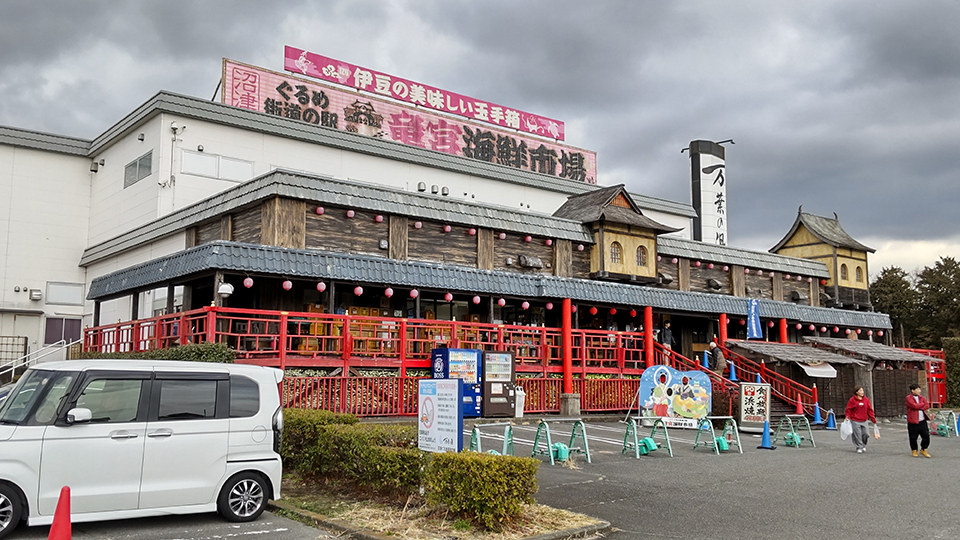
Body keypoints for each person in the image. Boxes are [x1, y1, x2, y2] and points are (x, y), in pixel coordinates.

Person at [844, 386, 876, 454]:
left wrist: (873, 418)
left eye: (862, 391)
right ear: (856, 392)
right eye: (860, 391)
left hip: (864, 420)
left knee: (866, 434)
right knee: (857, 434)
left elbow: (870, 410)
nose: (862, 392)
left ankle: (863, 445)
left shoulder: (866, 400)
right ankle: (859, 447)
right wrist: (847, 416)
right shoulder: (852, 400)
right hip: (855, 420)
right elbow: (848, 409)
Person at [905, 383, 931, 458]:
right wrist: (921, 405)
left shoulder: (922, 397)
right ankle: (914, 450)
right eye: (917, 389)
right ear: (912, 390)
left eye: (919, 389)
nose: (919, 391)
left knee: (926, 435)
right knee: (913, 437)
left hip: (922, 420)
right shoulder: (908, 398)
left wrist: (921, 405)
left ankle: (923, 449)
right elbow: (914, 406)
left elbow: (927, 405)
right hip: (913, 421)